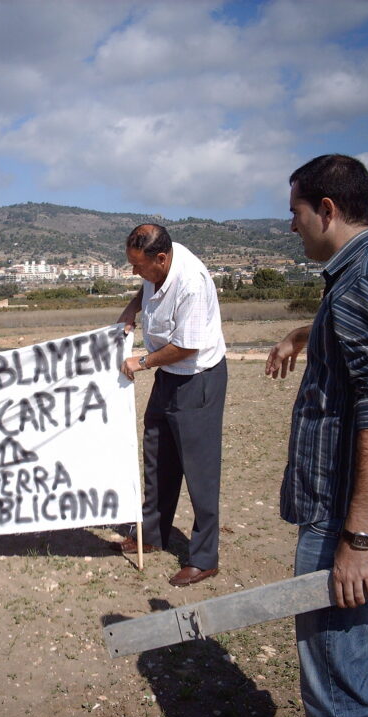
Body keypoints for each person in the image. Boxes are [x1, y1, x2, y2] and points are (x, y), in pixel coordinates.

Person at [266, 155, 368, 717]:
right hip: (367, 518)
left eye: (296, 212)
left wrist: (356, 542)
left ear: (328, 210)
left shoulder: (364, 281)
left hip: (351, 519)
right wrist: (304, 333)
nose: (292, 226)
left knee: (338, 688)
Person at [114, 223, 228, 587]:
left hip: (197, 377)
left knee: (200, 470)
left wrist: (142, 362)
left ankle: (204, 557)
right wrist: (133, 307)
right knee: (157, 454)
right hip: (169, 374)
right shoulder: (156, 261)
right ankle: (152, 533)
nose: (135, 272)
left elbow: (187, 346)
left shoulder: (190, 281)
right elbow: (144, 286)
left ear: (161, 259)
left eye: (139, 266)